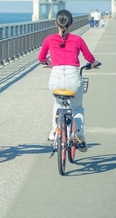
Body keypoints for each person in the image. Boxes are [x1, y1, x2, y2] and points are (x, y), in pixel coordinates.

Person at [38, 10, 97, 150]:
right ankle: (79, 132)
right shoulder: (77, 39)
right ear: (71, 24)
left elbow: (41, 58)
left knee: (57, 103)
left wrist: (49, 63)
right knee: (77, 107)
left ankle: (54, 131)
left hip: (55, 77)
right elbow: (89, 58)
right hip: (73, 78)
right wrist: (94, 64)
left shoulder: (49, 39)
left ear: (55, 23)